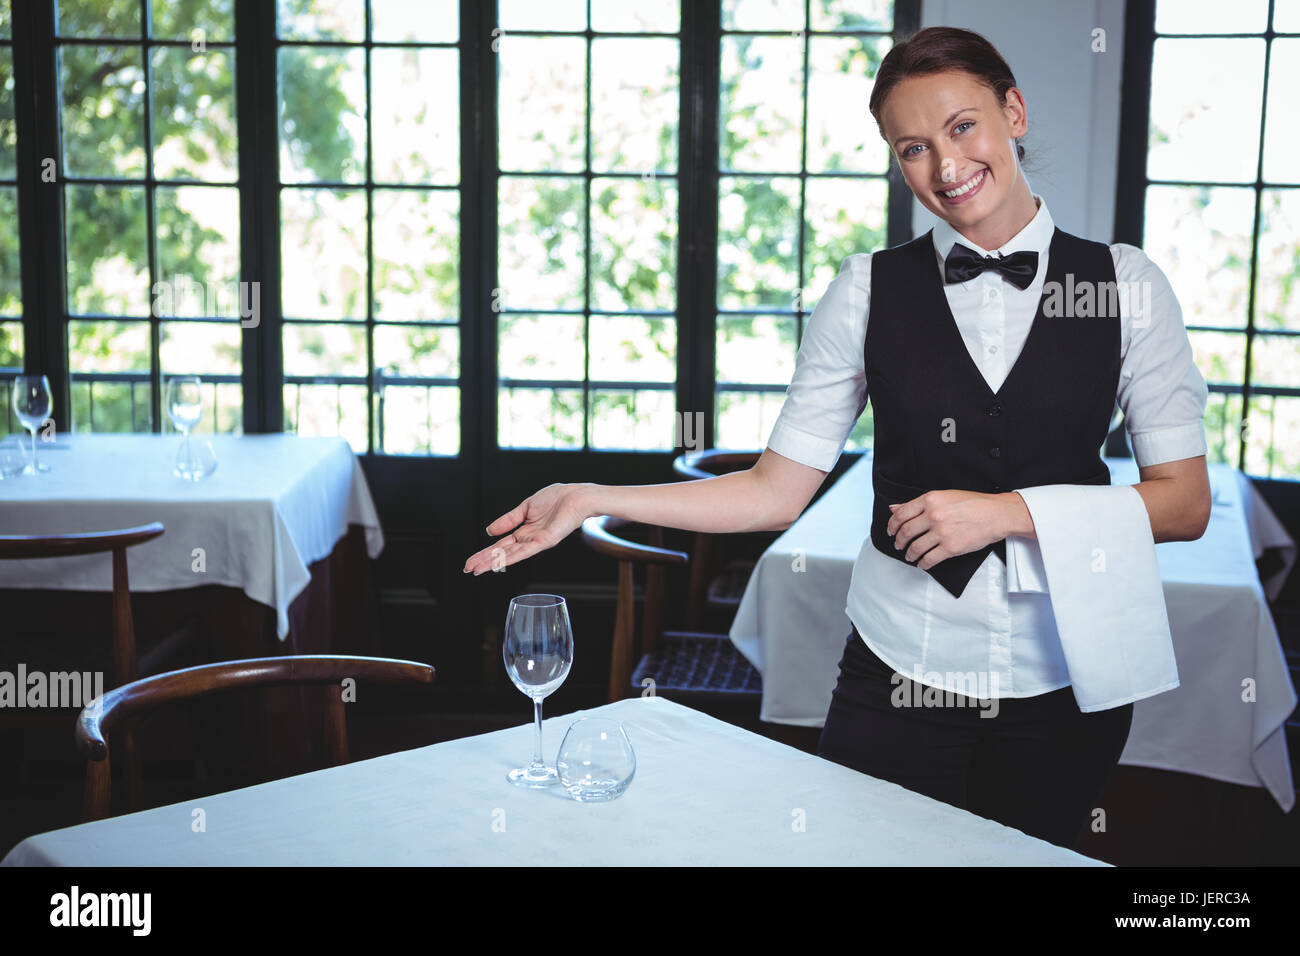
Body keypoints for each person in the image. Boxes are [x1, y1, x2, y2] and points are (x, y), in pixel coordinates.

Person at [463, 26, 1212, 850]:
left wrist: (1007, 513)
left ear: (1015, 113)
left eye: (962, 126)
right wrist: (595, 495)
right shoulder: (864, 292)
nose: (945, 165)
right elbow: (773, 489)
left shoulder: (1126, 286)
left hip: (1068, 674)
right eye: (912, 148)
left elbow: (1184, 504)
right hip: (900, 672)